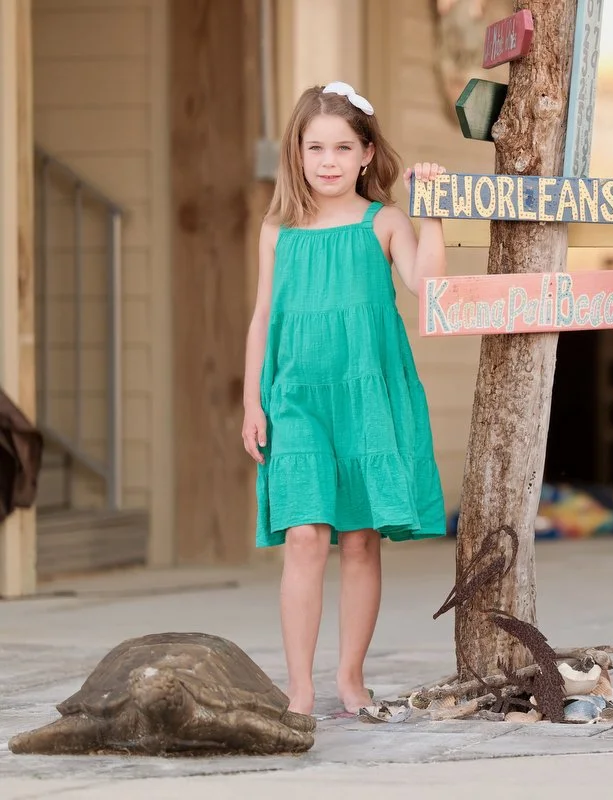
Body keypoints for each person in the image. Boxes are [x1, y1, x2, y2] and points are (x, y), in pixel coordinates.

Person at [241, 81, 448, 717]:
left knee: (359, 540)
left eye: (341, 147)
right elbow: (262, 316)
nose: (327, 161)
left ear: (365, 154)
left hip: (367, 397)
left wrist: (431, 210)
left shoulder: (381, 222)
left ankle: (349, 678)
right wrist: (252, 401)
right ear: (296, 155)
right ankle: (298, 688)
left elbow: (426, 286)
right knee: (305, 534)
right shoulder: (278, 231)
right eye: (315, 148)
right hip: (296, 397)